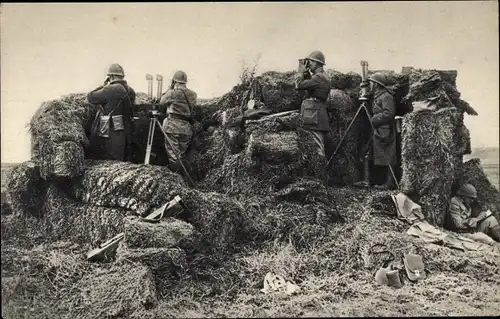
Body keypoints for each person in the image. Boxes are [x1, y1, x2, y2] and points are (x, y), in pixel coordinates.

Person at [86, 63, 136, 161]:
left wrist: (102, 86)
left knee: (110, 159)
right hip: (125, 131)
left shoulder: (110, 89)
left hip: (111, 132)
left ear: (111, 77)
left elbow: (90, 97)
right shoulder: (130, 91)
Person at [295, 50, 332, 157]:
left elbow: (298, 85)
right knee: (314, 148)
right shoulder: (320, 76)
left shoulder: (319, 77)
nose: (308, 64)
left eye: (310, 62)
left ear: (316, 63)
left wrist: (300, 72)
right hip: (314, 116)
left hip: (315, 118)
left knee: (318, 150)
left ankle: (321, 172)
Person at [159, 70, 197, 172]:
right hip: (186, 128)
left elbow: (161, 102)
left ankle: (176, 177)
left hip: (172, 127)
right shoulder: (193, 94)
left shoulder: (172, 93)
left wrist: (170, 89)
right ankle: (182, 176)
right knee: (181, 155)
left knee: (174, 156)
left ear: (174, 81)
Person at [368, 72, 397, 189]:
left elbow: (389, 113)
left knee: (387, 156)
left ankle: (389, 183)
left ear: (376, 84)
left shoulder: (386, 97)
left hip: (385, 130)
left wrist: (374, 119)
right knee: (374, 155)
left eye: (371, 83)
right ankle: (372, 180)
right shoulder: (378, 96)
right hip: (378, 129)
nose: (370, 85)